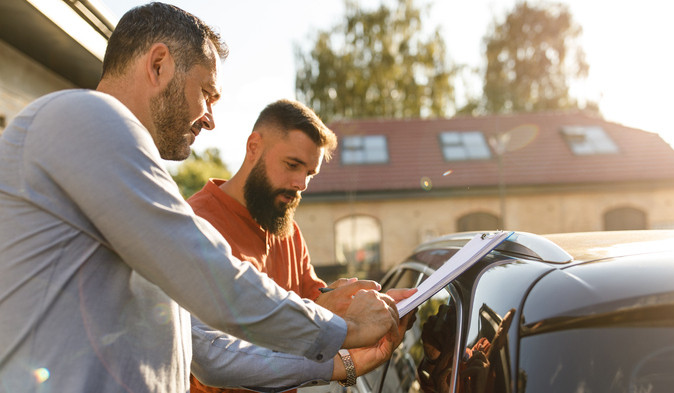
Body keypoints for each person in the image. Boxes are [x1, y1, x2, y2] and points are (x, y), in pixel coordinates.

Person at [0, 3, 400, 392]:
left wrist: (338, 365)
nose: (210, 117)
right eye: (207, 93)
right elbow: (210, 276)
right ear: (159, 65)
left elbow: (208, 351)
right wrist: (345, 329)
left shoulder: (121, 186)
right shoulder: (83, 117)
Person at [186, 99, 416, 393]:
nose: (301, 184)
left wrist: (376, 308)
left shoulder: (288, 230)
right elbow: (214, 355)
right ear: (253, 146)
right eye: (292, 165)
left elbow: (315, 300)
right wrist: (329, 317)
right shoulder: (196, 224)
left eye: (309, 173)